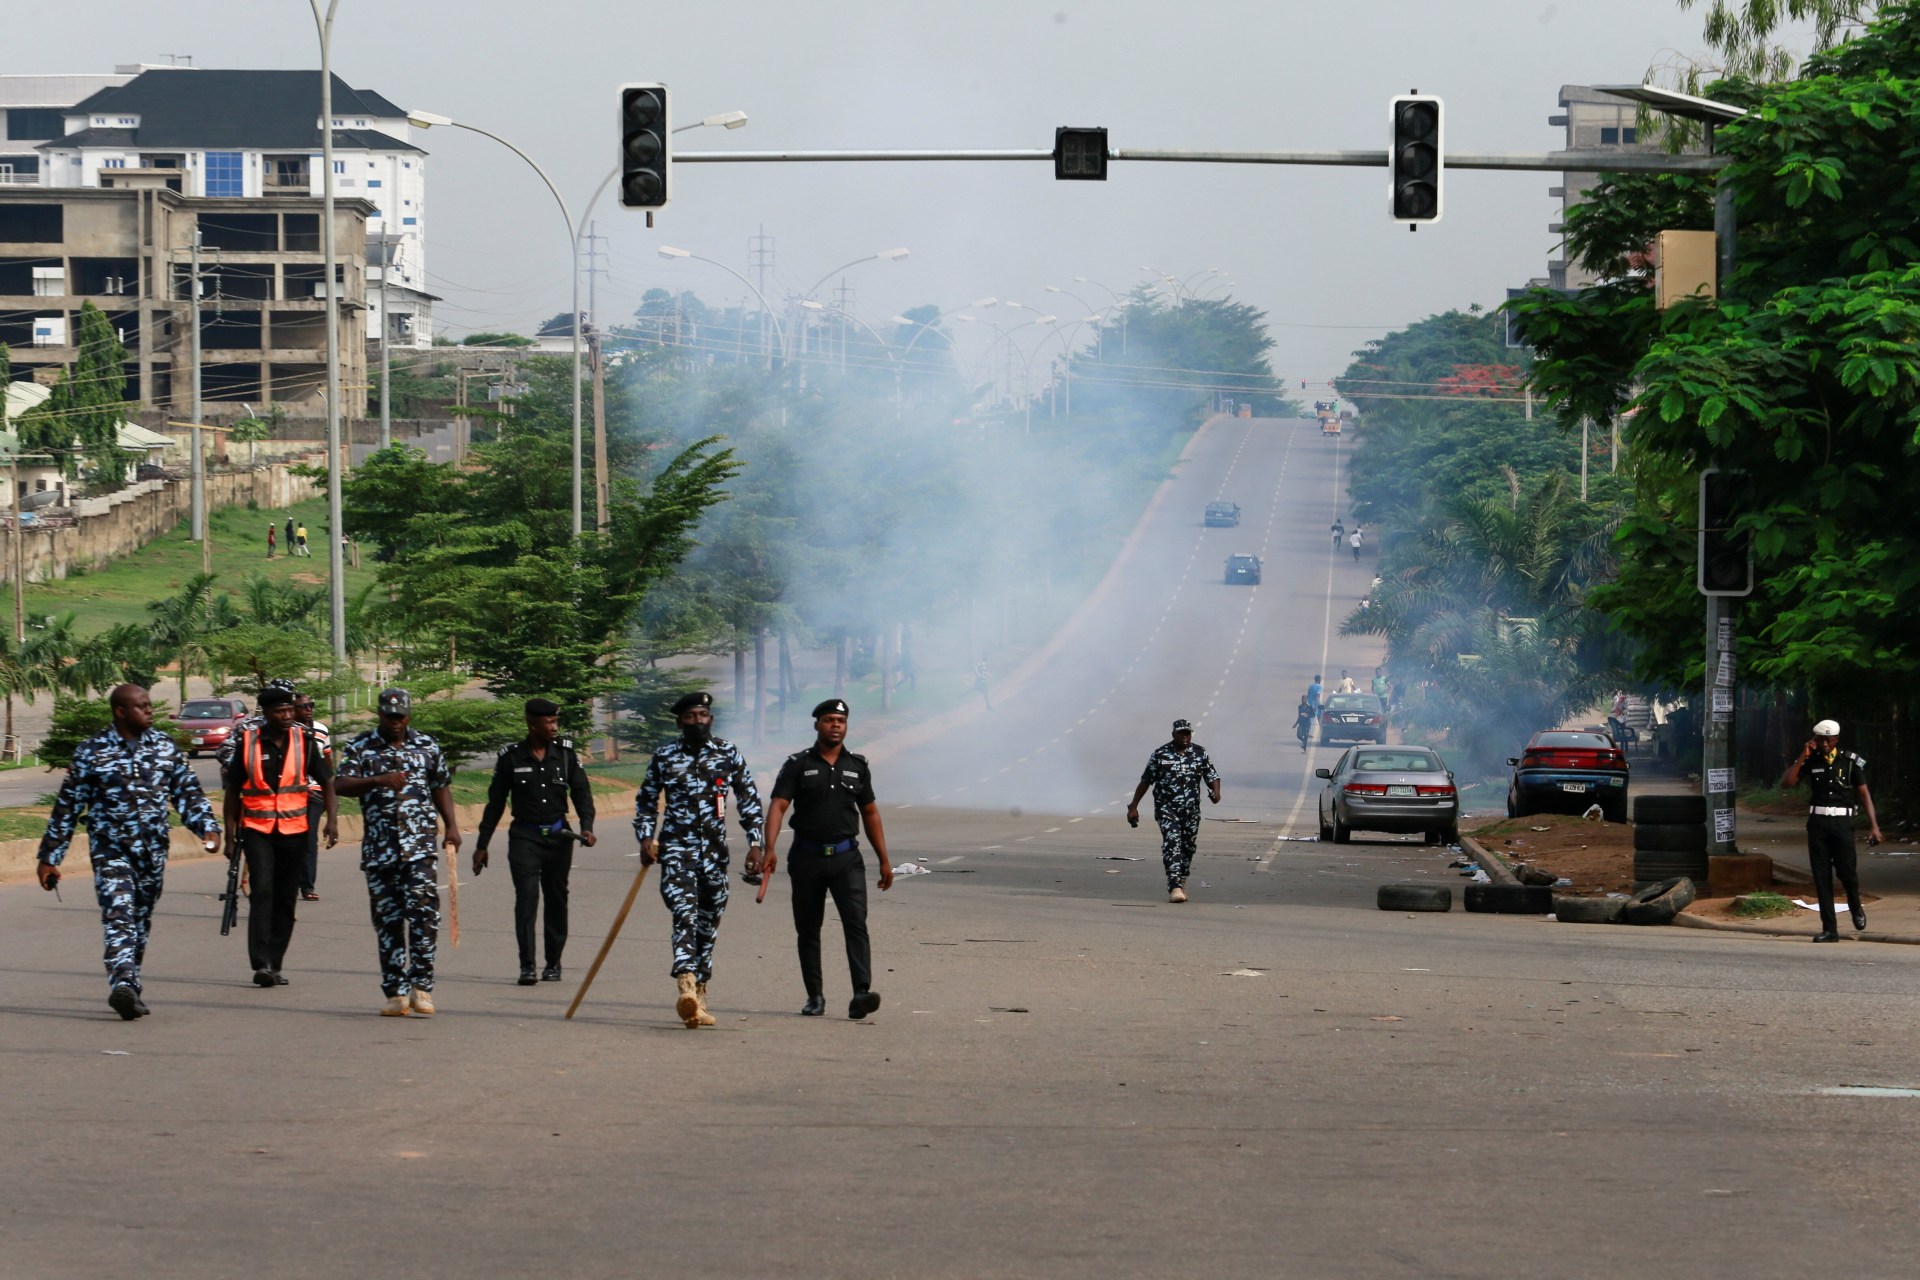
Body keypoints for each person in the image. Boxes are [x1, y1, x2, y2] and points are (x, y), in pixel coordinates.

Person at [35, 685, 222, 1020]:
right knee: (119, 915)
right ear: (121, 711)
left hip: (152, 852)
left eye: (149, 705)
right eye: (142, 706)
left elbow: (187, 793)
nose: (150, 711)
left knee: (139, 920)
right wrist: (50, 857)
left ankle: (130, 984)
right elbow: (67, 807)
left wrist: (207, 827)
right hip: (110, 851)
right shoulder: (92, 751)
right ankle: (122, 983)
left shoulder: (164, 748)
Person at [755, 698, 894, 1019]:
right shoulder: (797, 765)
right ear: (817, 725)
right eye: (829, 720)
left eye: (841, 721)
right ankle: (814, 996)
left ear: (846, 727)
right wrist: (770, 847)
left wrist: (884, 860)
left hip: (847, 858)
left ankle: (861, 991)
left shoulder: (857, 766)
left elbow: (870, 812)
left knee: (856, 923)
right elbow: (777, 806)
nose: (835, 726)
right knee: (808, 928)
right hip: (807, 858)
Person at [633, 691, 765, 1029]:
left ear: (711, 718)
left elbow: (748, 797)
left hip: (715, 856)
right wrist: (646, 838)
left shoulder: (727, 753)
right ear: (680, 722)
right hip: (677, 851)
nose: (698, 721)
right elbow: (647, 801)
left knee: (708, 924)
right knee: (684, 913)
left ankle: (700, 996)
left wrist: (755, 844)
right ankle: (685, 983)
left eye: (703, 714)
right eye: (691, 716)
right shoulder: (664, 756)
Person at [335, 689, 460, 1015]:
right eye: (389, 716)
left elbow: (441, 785)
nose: (395, 722)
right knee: (388, 922)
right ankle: (395, 992)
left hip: (419, 848)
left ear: (408, 716)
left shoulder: (427, 746)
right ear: (379, 715)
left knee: (424, 916)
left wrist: (452, 826)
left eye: (400, 716)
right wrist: (378, 780)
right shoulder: (360, 746)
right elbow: (340, 784)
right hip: (380, 852)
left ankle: (422, 987)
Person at [474, 697, 597, 986]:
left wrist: (587, 827)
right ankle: (527, 965)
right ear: (532, 724)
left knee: (557, 899)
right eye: (549, 722)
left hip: (558, 836)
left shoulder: (566, 756)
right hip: (524, 837)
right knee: (527, 898)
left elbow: (582, 794)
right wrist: (482, 845)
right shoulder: (511, 758)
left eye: (556, 721)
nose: (555, 727)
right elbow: (494, 804)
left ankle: (553, 963)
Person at [221, 686, 336, 988]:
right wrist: (229, 836)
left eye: (289, 710)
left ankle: (276, 962)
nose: (286, 716)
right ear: (265, 715)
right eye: (279, 712)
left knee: (286, 899)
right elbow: (232, 790)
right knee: (262, 891)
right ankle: (262, 963)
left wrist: (332, 820)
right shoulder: (247, 744)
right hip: (257, 831)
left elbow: (327, 781)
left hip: (294, 831)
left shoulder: (305, 743)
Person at [1781, 718, 1883, 942]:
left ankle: (1855, 905)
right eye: (1820, 739)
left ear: (1836, 739)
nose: (1824, 744)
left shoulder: (1850, 762)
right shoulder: (1811, 759)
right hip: (1818, 825)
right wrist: (1802, 756)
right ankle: (1830, 929)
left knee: (1847, 873)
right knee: (1821, 876)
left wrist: (1874, 826)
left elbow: (1864, 794)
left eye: (1828, 740)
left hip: (1842, 825)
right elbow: (1787, 783)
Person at [1126, 718, 1222, 903]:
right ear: (1173, 735)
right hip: (1166, 808)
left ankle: (1182, 879)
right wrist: (1134, 806)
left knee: (1188, 847)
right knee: (1172, 843)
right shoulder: (1160, 754)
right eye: (1181, 733)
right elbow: (1146, 781)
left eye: (1188, 733)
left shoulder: (1199, 753)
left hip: (1191, 810)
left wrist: (1216, 793)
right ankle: (1174, 886)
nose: (1185, 737)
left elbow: (1212, 775)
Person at [293, 692, 332, 901]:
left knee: (309, 838)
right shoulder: (287, 731)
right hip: (290, 793)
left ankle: (307, 886)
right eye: (303, 706)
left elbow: (327, 764)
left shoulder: (321, 731)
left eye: (310, 705)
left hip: (314, 792)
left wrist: (329, 794)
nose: (308, 709)